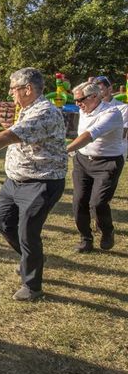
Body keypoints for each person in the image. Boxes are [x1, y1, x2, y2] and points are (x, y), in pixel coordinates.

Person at [0, 68, 67, 301]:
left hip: (41, 181)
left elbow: (10, 136)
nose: (10, 93)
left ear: (27, 89)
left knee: (28, 232)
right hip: (15, 180)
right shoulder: (27, 109)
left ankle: (32, 287)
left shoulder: (45, 112)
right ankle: (31, 259)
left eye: (13, 88)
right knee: (0, 221)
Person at [66, 81, 124, 252]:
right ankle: (86, 239)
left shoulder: (112, 113)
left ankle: (107, 231)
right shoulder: (84, 110)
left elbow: (90, 135)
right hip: (82, 161)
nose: (77, 104)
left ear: (93, 96)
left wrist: (65, 150)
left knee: (98, 203)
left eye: (80, 100)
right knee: (79, 201)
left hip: (107, 163)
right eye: (75, 100)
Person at [94, 76, 128, 157]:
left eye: (100, 90)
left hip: (114, 153)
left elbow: (121, 134)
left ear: (110, 89)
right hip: (94, 151)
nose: (97, 93)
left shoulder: (122, 107)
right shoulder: (93, 107)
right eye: (95, 91)